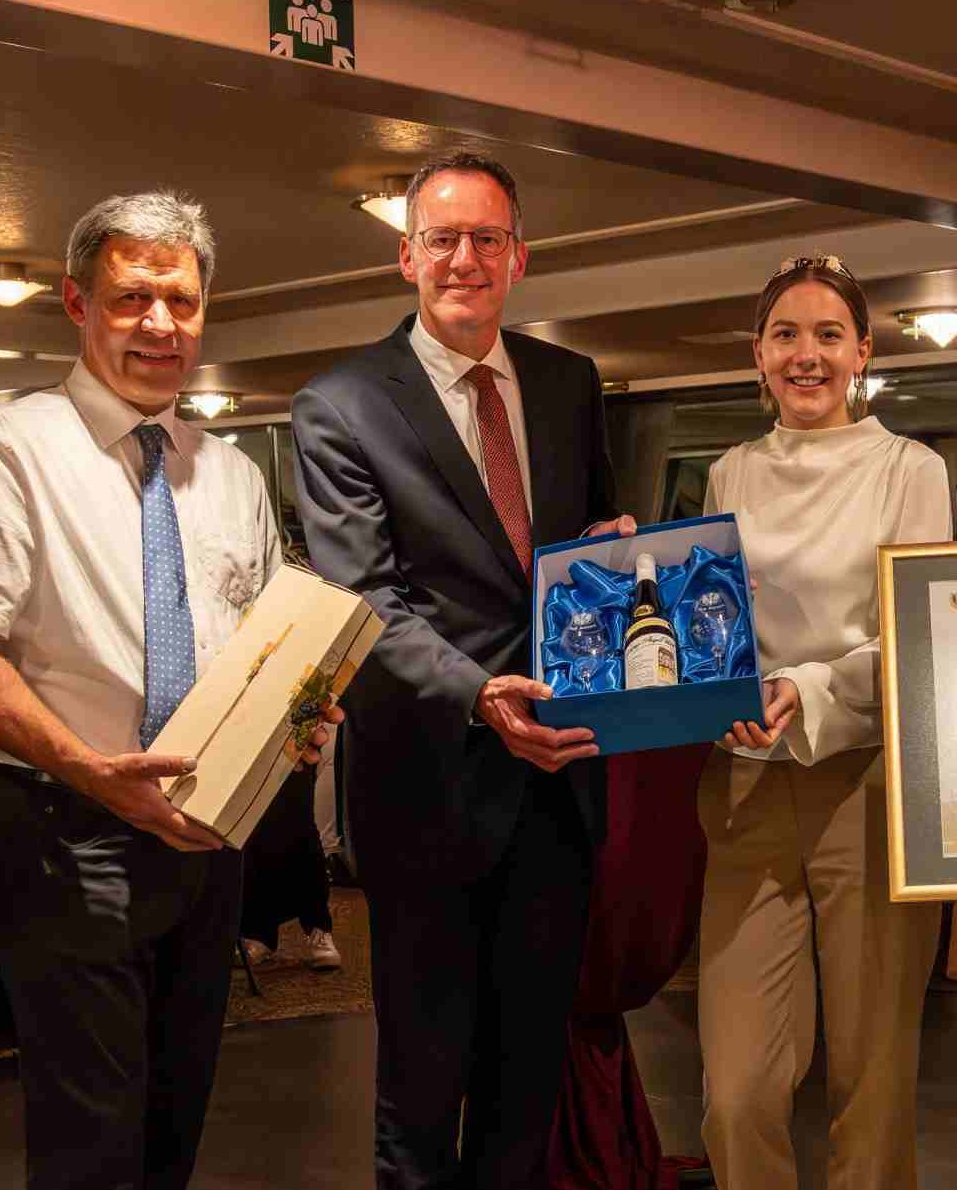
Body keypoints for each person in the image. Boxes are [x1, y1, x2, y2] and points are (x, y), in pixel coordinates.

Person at [0, 191, 331, 1190]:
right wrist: (93, 770)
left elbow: (264, 649)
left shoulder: (227, 472)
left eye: (181, 300)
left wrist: (298, 716)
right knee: (91, 1144)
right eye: (133, 296)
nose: (160, 324)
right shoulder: (4, 449)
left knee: (174, 1125)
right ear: (76, 303)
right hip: (68, 834)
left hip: (204, 840)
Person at [290, 149, 632, 1190]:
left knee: (527, 1081)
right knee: (422, 1089)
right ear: (406, 255)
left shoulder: (570, 382)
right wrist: (481, 694)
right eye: (442, 238)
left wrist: (624, 558)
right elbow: (365, 602)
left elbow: (591, 545)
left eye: (487, 238)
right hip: (428, 786)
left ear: (519, 257)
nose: (465, 259)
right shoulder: (339, 404)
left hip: (559, 780)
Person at [691, 256, 950, 1190]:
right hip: (747, 780)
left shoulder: (908, 469)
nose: (807, 355)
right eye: (786, 335)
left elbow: (917, 634)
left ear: (864, 354)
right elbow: (712, 624)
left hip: (870, 786)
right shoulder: (730, 470)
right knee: (737, 1091)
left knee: (872, 1082)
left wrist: (804, 686)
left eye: (828, 335)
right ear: (756, 356)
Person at [238, 732, 341, 971]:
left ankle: (318, 925)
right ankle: (259, 932)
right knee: (255, 822)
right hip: (248, 722)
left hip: (296, 717)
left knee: (298, 816)